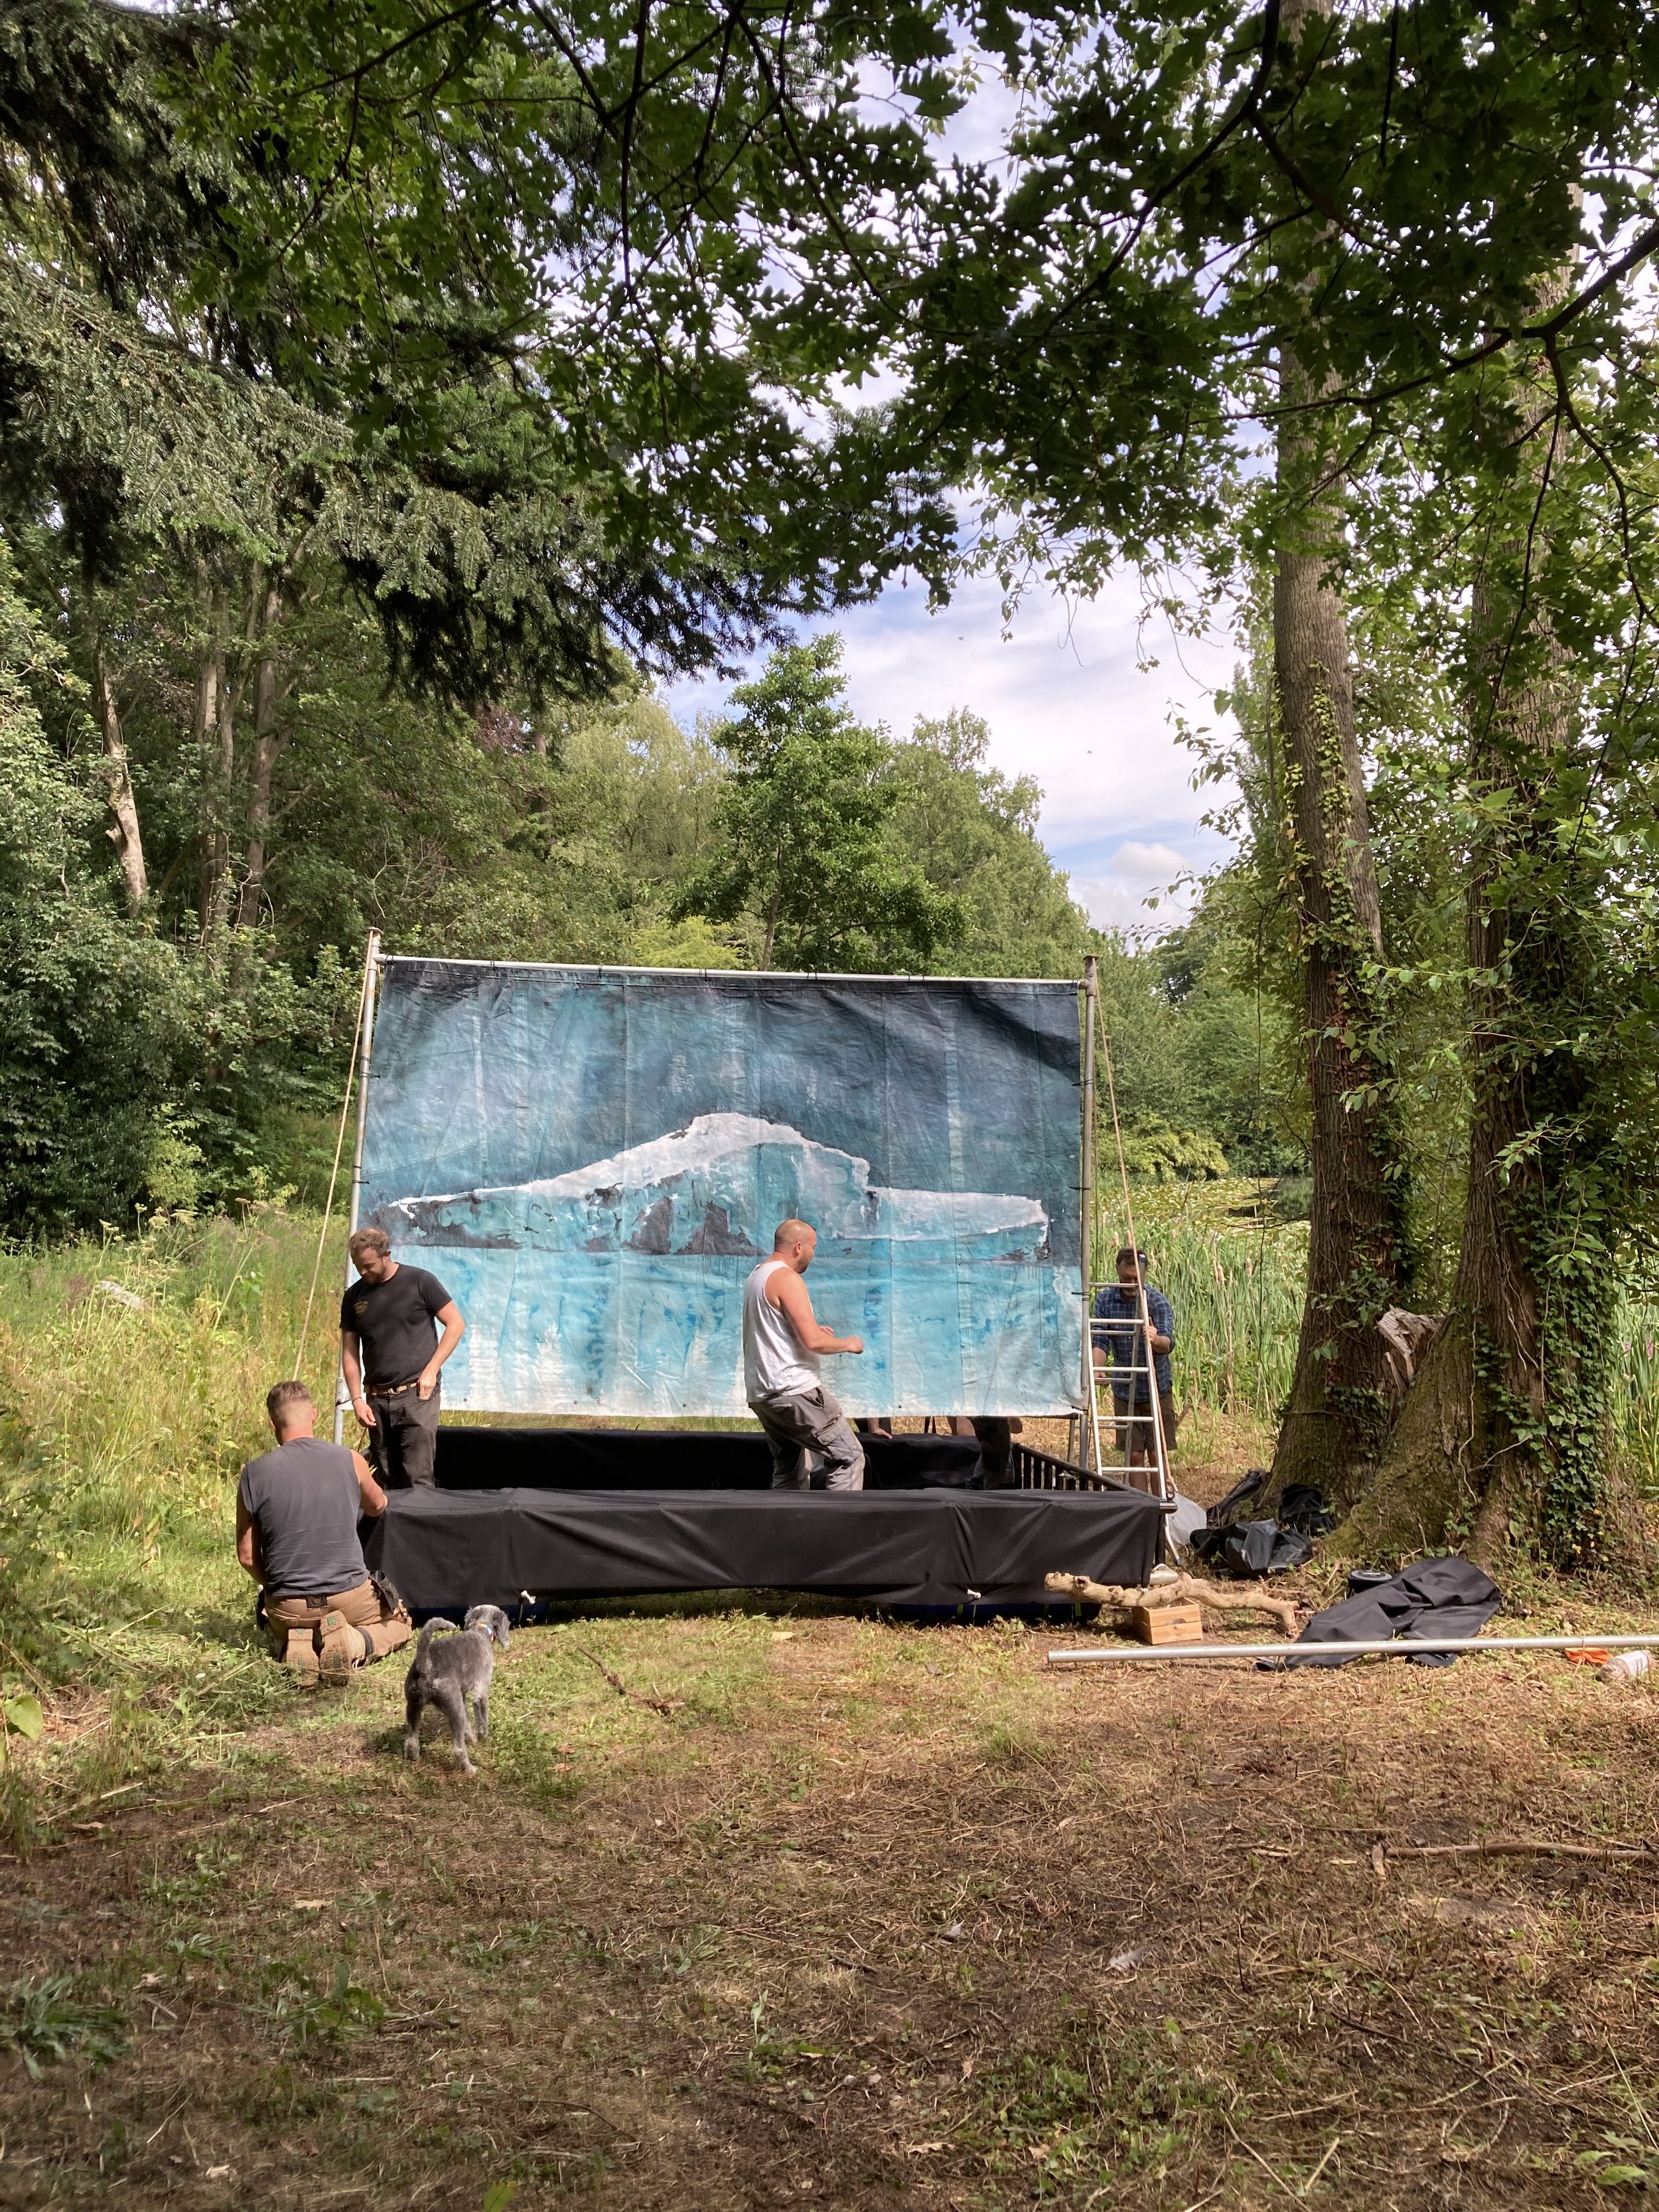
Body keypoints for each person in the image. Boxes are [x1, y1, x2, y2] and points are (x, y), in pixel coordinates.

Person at [238, 1380, 413, 1683]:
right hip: (350, 1598)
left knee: (285, 1627)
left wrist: (278, 1586)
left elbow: (247, 1556)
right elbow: (378, 1505)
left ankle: (293, 1646)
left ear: (272, 1423)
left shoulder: (253, 1474)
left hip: (289, 1604)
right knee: (401, 1624)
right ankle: (355, 1643)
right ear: (315, 1415)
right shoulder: (350, 1459)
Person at [743, 1218, 867, 1491]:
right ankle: (840, 1531)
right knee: (849, 1457)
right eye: (813, 1248)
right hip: (795, 1392)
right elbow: (813, 1341)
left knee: (789, 1471)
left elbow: (775, 1331)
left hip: (766, 1394)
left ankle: (784, 1531)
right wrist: (848, 1344)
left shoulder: (757, 1275)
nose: (813, 1254)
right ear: (798, 1247)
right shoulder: (787, 1278)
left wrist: (811, 1331)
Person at [340, 1226, 465, 1489]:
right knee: (386, 1476)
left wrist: (432, 1370)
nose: (363, 1272)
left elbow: (455, 1324)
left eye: (368, 1265)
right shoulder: (354, 1296)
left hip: (416, 1395)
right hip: (375, 1401)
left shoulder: (420, 1281)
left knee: (418, 1478)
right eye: (357, 1266)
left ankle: (425, 1527)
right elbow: (349, 1352)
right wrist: (356, 1400)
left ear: (387, 1255)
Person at [1092, 1246, 1176, 1491]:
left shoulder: (1156, 1302)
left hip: (1155, 1389)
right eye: (1125, 1278)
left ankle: (1162, 1512)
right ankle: (1142, 1510)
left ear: (1145, 1273)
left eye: (1135, 1279)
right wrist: (1098, 1368)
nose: (1130, 1283)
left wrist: (1154, 1338)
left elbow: (1167, 1344)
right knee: (1135, 1456)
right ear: (1117, 1270)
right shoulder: (1105, 1299)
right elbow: (1100, 1339)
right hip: (1124, 1389)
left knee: (1157, 1456)